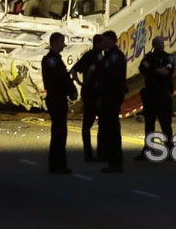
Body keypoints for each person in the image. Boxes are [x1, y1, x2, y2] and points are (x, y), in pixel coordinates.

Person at [42, 32, 77, 174]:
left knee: (59, 131)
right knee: (59, 132)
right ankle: (58, 164)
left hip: (56, 98)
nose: (64, 45)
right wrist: (71, 90)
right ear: (55, 43)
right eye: (62, 42)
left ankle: (56, 163)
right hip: (57, 98)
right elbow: (60, 79)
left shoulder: (53, 59)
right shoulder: (52, 60)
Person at [135, 37, 175, 160]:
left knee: (166, 124)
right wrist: (157, 69)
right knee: (149, 124)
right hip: (150, 94)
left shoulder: (168, 57)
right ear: (154, 45)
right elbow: (142, 68)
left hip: (163, 94)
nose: (161, 45)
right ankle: (148, 150)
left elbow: (166, 72)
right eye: (159, 44)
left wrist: (151, 69)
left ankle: (169, 150)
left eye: (162, 43)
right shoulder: (148, 57)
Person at [95, 31, 127, 173]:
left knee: (113, 130)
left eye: (105, 40)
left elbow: (112, 79)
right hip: (107, 97)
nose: (103, 43)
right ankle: (110, 159)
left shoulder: (115, 57)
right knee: (108, 129)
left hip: (112, 97)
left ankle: (115, 161)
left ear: (112, 40)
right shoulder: (108, 56)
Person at [69, 33, 104, 162]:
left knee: (87, 124)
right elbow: (91, 71)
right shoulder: (98, 57)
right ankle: (100, 152)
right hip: (96, 93)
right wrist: (86, 82)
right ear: (98, 43)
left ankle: (88, 153)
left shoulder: (87, 55)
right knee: (101, 124)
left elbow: (73, 70)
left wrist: (80, 83)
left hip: (88, 93)